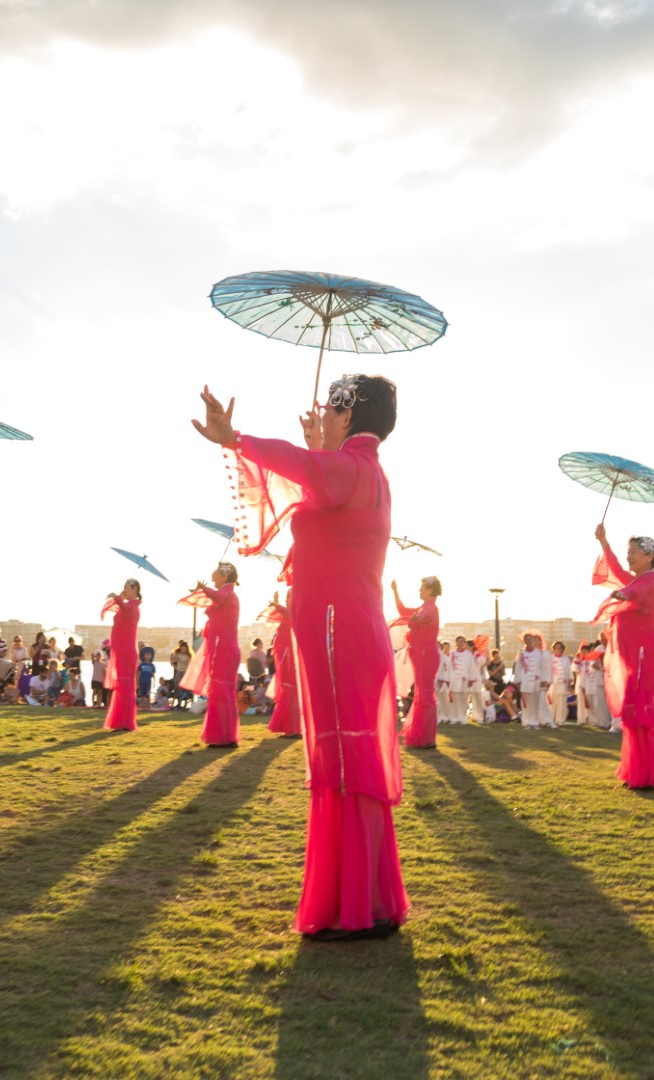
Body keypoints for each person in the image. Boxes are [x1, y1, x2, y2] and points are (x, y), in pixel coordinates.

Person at [194, 375, 407, 941]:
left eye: (332, 406)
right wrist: (320, 451)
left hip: (338, 634)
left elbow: (300, 468)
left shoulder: (352, 470)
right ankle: (370, 901)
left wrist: (234, 438)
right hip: (345, 632)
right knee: (348, 762)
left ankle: (355, 907)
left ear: (350, 414)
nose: (322, 412)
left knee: (343, 763)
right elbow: (318, 480)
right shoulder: (360, 472)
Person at [592, 523, 654, 790]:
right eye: (629, 551)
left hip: (643, 659)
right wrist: (604, 542)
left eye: (634, 551)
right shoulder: (638, 579)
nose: (630, 556)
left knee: (640, 715)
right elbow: (618, 571)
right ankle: (636, 772)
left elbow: (637, 594)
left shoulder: (648, 583)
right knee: (632, 715)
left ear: (649, 555)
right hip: (634, 658)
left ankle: (646, 775)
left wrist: (624, 594)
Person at [180, 563, 243, 748]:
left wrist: (203, 588)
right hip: (223, 648)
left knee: (220, 691)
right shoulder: (225, 594)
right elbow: (213, 598)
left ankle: (222, 736)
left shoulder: (226, 593)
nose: (212, 576)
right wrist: (201, 591)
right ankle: (225, 736)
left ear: (224, 576)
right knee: (222, 692)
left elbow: (216, 596)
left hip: (224, 648)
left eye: (215, 574)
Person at [392, 576, 442, 749]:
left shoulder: (430, 608)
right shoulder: (424, 607)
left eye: (422, 588)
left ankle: (428, 738)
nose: (419, 590)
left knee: (426, 695)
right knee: (421, 694)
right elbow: (404, 611)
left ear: (430, 590)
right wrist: (395, 591)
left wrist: (411, 619)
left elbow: (419, 618)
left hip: (426, 655)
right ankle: (422, 737)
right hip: (420, 655)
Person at [102, 580, 141, 731]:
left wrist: (117, 597)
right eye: (124, 587)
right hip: (122, 650)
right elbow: (120, 607)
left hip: (127, 650)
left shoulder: (133, 606)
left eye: (126, 588)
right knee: (122, 686)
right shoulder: (127, 606)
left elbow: (124, 606)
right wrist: (118, 598)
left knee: (125, 686)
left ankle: (126, 721)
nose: (124, 590)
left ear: (134, 589)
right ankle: (119, 721)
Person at [261, 593, 301, 737]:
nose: (287, 598)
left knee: (290, 690)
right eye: (287, 597)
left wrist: (277, 605)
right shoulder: (289, 615)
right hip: (284, 657)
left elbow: (285, 612)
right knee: (287, 690)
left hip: (288, 657)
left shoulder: (293, 614)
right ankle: (289, 727)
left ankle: (294, 728)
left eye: (290, 596)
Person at [513, 632, 553, 729]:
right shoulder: (522, 653)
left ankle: (534, 722)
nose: (529, 641)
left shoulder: (538, 652)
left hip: (536, 680)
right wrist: (517, 681)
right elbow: (518, 668)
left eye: (530, 639)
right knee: (526, 703)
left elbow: (542, 667)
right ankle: (527, 722)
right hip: (525, 680)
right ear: (524, 641)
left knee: (535, 703)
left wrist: (544, 680)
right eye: (526, 639)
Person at [446, 636, 477, 724]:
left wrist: (471, 679)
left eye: (461, 642)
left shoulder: (468, 654)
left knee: (464, 699)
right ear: (456, 643)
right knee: (454, 700)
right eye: (458, 642)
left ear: (464, 643)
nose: (460, 643)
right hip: (454, 679)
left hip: (465, 679)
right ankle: (454, 718)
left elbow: (472, 667)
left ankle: (463, 717)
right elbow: (448, 667)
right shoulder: (452, 653)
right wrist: (447, 679)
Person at [548, 640, 573, 726]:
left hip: (563, 683)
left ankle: (560, 719)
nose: (558, 649)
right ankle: (550, 719)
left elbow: (569, 671)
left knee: (562, 702)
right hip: (553, 683)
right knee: (552, 701)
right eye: (556, 648)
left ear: (562, 649)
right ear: (553, 649)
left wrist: (570, 681)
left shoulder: (566, 659)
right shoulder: (550, 658)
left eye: (560, 647)